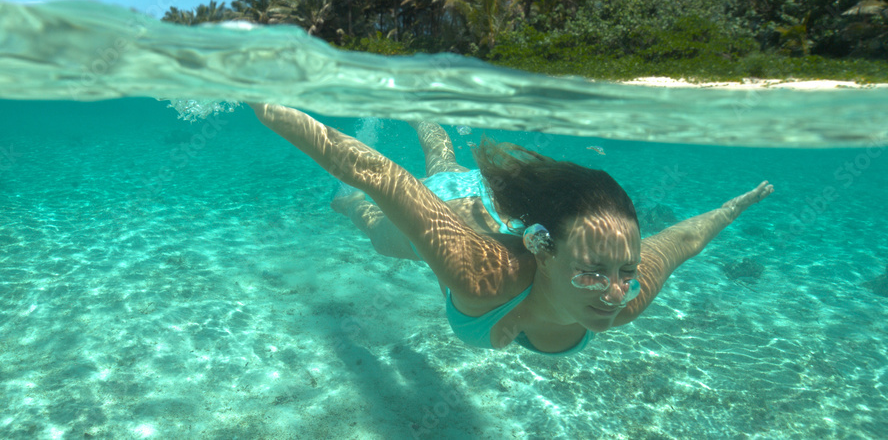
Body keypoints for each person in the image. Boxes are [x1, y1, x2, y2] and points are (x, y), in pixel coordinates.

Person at [250, 103, 774, 356]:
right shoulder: (481, 276)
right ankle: (348, 204)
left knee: (443, 160)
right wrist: (261, 102)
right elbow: (376, 173)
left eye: (625, 272)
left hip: (493, 209)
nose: (616, 292)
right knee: (380, 230)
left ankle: (425, 120)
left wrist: (734, 207)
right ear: (545, 252)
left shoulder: (624, 297)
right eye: (595, 272)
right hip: (452, 213)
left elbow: (682, 242)